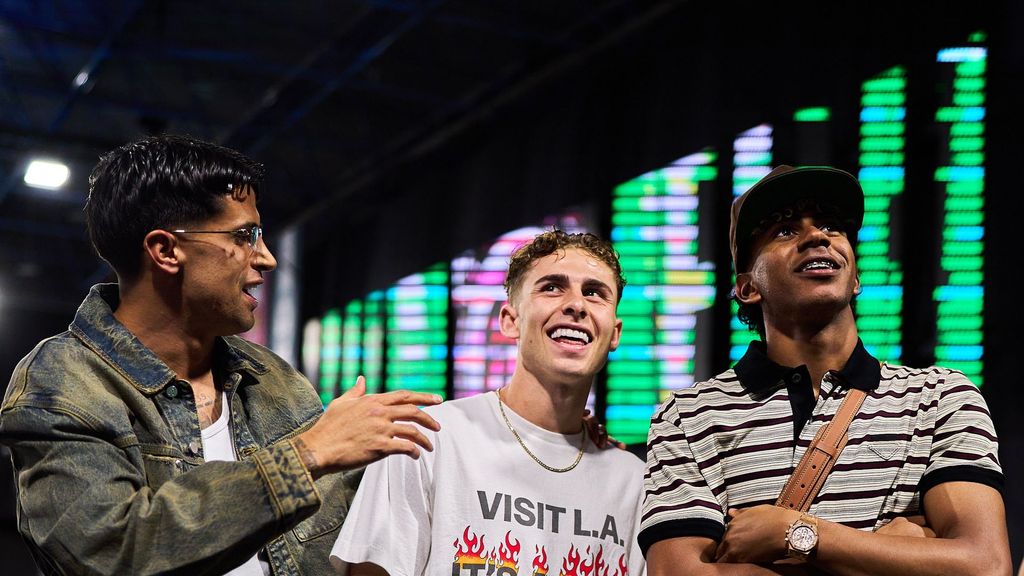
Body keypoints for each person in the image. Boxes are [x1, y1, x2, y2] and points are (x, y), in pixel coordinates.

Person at [0, 134, 442, 576]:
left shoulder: (273, 380)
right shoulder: (61, 384)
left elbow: (348, 544)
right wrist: (305, 455)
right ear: (166, 250)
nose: (266, 258)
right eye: (244, 235)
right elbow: (115, 554)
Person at [640, 165, 1011, 575]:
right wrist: (894, 551)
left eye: (832, 227)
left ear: (855, 278)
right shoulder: (688, 415)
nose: (817, 236)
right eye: (784, 230)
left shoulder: (941, 398)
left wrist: (798, 533)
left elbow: (984, 566)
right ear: (747, 287)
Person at [330, 230, 647, 576]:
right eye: (552, 287)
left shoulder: (635, 483)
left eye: (594, 293)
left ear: (614, 333)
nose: (576, 304)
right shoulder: (426, 439)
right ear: (510, 321)